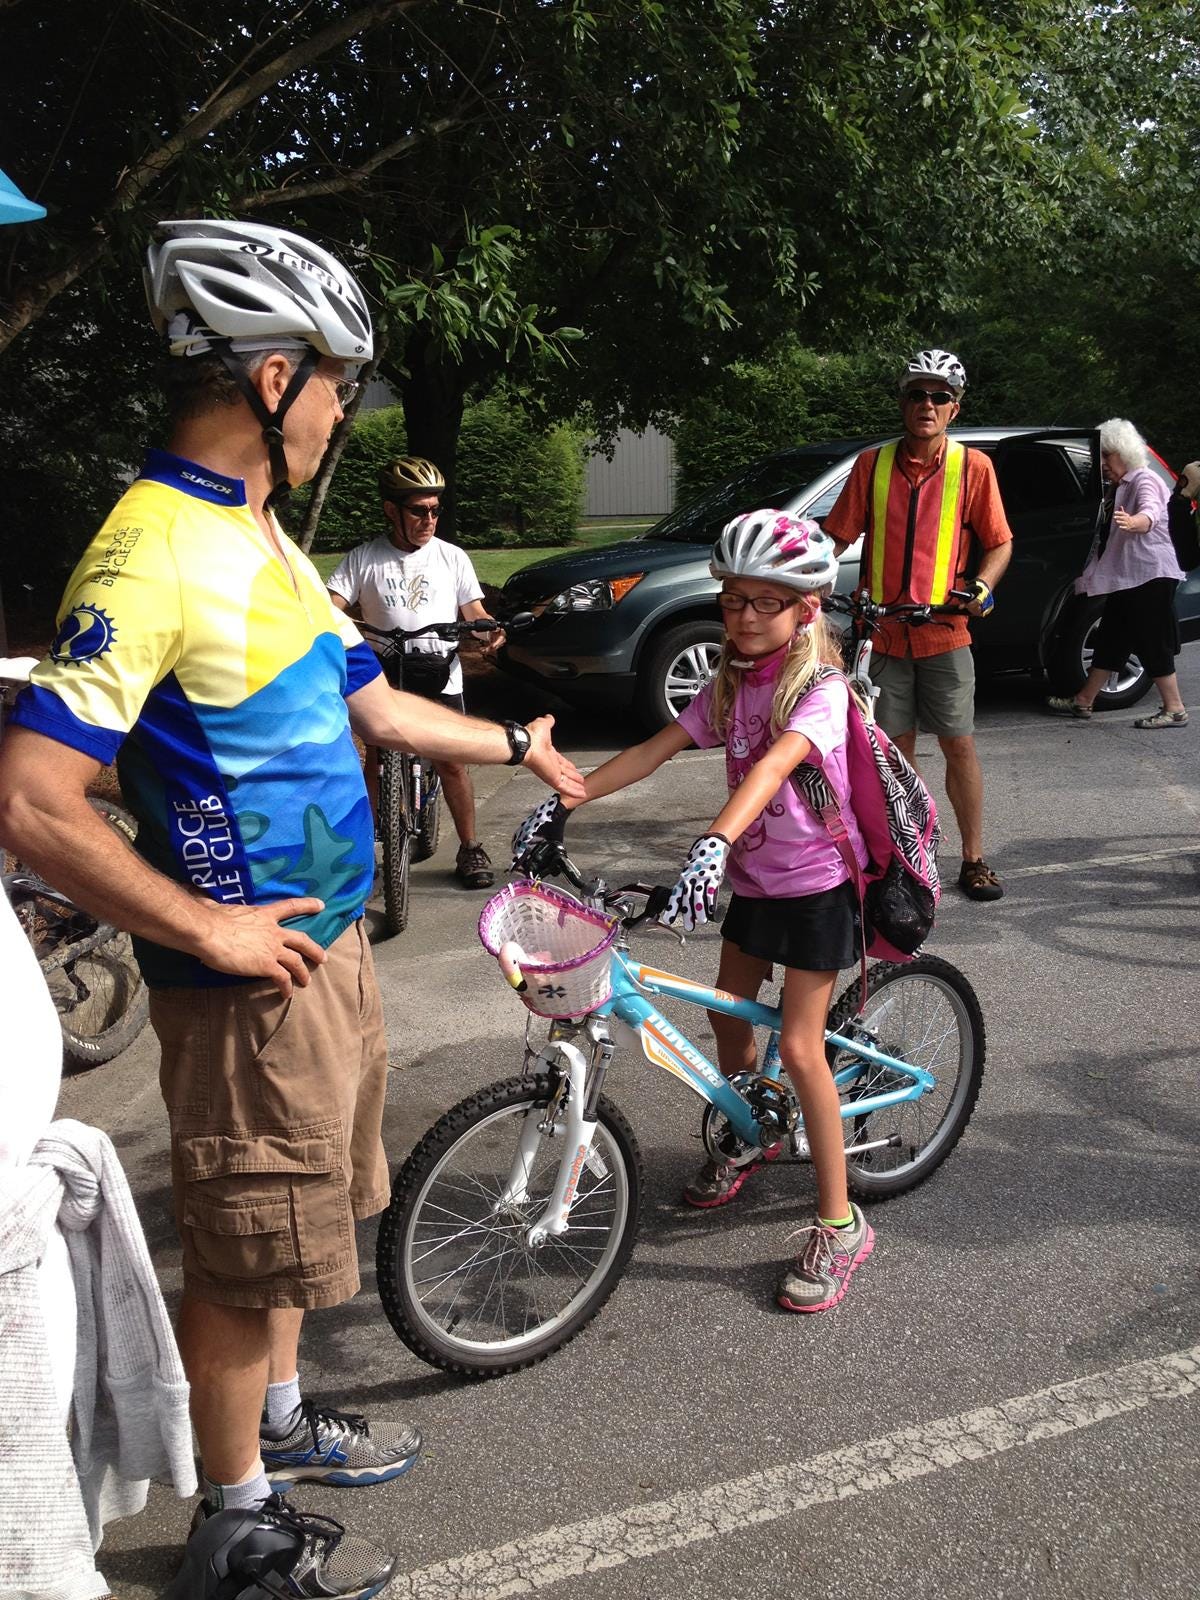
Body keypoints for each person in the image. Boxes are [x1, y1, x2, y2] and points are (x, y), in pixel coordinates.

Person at [0, 217, 584, 1598]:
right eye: (336, 382)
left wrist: (516, 747)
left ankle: (277, 1421)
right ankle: (236, 1530)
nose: (341, 410)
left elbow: (369, 701)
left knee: (300, 1233)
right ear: (272, 376)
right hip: (247, 978)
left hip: (326, 956)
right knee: (244, 1250)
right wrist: (203, 931)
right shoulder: (151, 548)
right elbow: (29, 797)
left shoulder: (256, 536)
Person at [513, 511, 877, 1314]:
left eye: (766, 603)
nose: (744, 616)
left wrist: (712, 839)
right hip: (756, 883)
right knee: (728, 1025)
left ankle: (839, 1223)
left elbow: (778, 765)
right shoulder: (732, 679)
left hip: (817, 888)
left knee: (802, 1047)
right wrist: (567, 795)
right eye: (734, 600)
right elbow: (655, 749)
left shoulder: (816, 688)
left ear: (806, 609)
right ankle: (753, 1133)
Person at [823, 348, 1013, 902]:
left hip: (946, 632)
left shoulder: (972, 467)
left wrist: (983, 586)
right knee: (896, 751)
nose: (926, 405)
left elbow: (999, 542)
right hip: (882, 633)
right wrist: (807, 584)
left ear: (954, 408)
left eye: (939, 396)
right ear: (903, 403)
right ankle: (909, 854)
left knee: (958, 744)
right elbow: (836, 537)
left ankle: (973, 858)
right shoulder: (871, 465)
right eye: (916, 394)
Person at [328, 455, 502, 888]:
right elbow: (329, 607)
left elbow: (474, 610)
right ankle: (365, 852)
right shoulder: (364, 559)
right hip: (383, 675)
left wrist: (489, 633)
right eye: (418, 511)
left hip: (441, 671)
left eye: (435, 510)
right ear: (392, 510)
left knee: (452, 764)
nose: (429, 519)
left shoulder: (451, 557)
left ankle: (469, 847)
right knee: (376, 762)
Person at [1046, 418, 1187, 728]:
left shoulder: (1143, 480)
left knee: (1153, 638)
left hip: (1151, 574)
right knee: (1113, 637)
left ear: (1123, 452)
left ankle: (1174, 709)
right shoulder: (1118, 487)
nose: (1102, 464)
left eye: (1106, 456)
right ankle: (1084, 701)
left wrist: (1138, 522)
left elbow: (1152, 510)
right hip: (1130, 576)